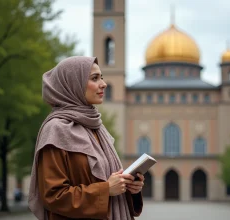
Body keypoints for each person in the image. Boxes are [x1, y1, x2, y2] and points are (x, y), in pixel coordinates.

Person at [28, 56, 144, 220]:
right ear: (73, 84)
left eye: (101, 78)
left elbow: (108, 182)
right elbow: (53, 196)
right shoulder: (56, 129)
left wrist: (130, 188)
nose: (103, 84)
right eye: (95, 78)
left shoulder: (96, 127)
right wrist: (106, 190)